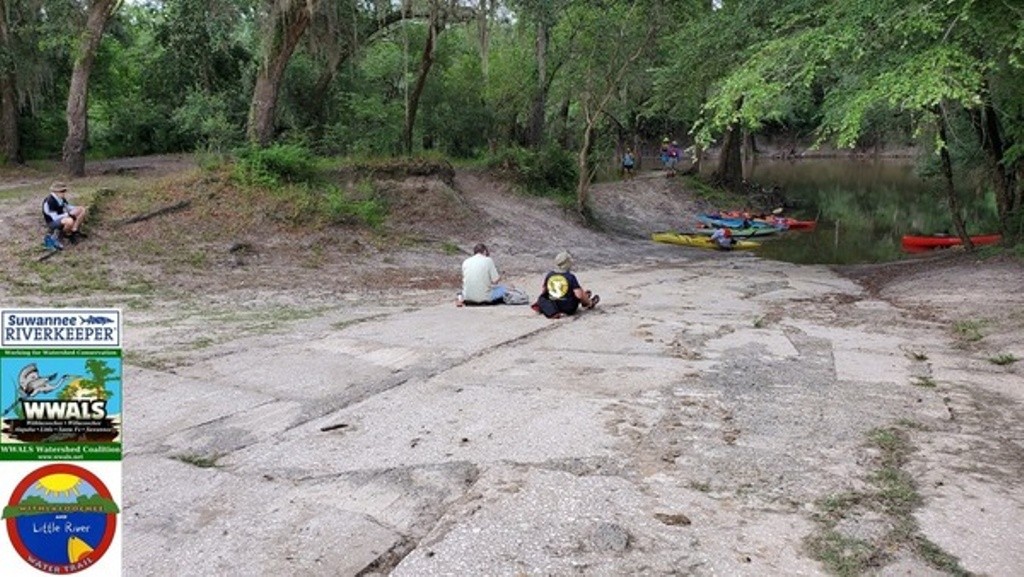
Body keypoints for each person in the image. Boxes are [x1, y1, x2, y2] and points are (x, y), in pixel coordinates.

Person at [531, 251, 599, 319]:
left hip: (555, 305)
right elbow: (579, 295)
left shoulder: (550, 275)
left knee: (544, 297)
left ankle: (585, 297)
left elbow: (544, 291)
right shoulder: (570, 276)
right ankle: (589, 303)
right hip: (569, 308)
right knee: (579, 290)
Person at [41, 181, 87, 249]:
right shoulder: (50, 201)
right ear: (56, 191)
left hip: (62, 217)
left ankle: (74, 230)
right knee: (69, 221)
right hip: (52, 222)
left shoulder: (61, 198)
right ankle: (67, 234)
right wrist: (68, 215)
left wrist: (77, 208)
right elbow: (54, 217)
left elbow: (67, 206)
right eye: (62, 191)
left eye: (65, 190)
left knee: (82, 210)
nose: (64, 192)